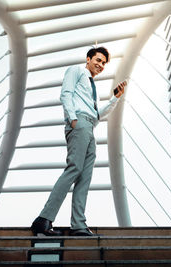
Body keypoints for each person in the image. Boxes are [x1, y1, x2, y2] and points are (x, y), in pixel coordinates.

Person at [31, 46, 127, 236]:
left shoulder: (93, 89)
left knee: (85, 177)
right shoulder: (76, 71)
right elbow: (65, 93)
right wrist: (72, 118)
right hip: (79, 124)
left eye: (104, 63)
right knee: (74, 168)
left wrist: (115, 99)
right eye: (98, 60)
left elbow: (97, 114)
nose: (100, 65)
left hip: (90, 127)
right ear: (88, 59)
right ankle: (43, 219)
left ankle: (78, 225)